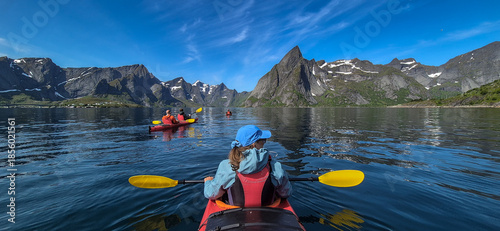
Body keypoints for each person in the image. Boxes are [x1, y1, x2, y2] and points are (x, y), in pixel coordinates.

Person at [204, 125, 292, 207]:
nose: (264, 143)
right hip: (268, 214)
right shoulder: (275, 166)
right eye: (263, 140)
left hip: (235, 216)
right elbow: (286, 193)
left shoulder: (226, 166)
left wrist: (208, 182)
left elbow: (211, 194)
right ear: (254, 144)